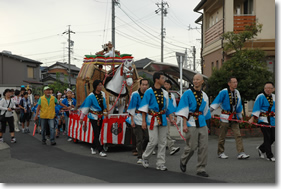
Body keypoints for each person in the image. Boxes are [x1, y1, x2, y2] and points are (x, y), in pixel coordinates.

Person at [176, 74, 211, 177]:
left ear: (202, 82)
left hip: (202, 122)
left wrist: (207, 125)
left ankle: (201, 168)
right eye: (194, 79)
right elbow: (183, 109)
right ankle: (183, 160)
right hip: (190, 121)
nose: (195, 81)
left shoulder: (204, 95)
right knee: (191, 146)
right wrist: (184, 124)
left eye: (197, 79)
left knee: (204, 146)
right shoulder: (187, 94)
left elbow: (206, 111)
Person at [138, 72, 174, 171]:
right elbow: (144, 107)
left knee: (163, 142)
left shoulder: (165, 93)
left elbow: (168, 107)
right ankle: (145, 157)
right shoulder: (149, 92)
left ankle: (160, 163)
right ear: (157, 80)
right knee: (153, 141)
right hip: (152, 118)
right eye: (162, 78)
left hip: (162, 117)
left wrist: (171, 117)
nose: (164, 80)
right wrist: (144, 122)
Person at [210, 76, 250, 159]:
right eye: (234, 82)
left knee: (238, 134)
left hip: (234, 116)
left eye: (236, 82)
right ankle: (220, 152)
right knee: (222, 135)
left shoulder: (237, 92)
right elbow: (216, 102)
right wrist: (209, 112)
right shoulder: (223, 92)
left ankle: (241, 152)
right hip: (225, 116)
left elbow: (239, 105)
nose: (236, 84)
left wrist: (240, 116)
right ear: (229, 83)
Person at [79, 80, 108, 157]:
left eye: (101, 85)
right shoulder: (91, 96)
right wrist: (81, 118)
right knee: (96, 132)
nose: (100, 87)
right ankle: (100, 150)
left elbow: (104, 105)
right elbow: (86, 107)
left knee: (98, 132)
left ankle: (93, 147)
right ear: (95, 86)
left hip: (100, 116)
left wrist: (105, 111)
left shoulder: (103, 94)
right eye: (99, 85)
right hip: (93, 116)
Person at [248, 82, 275, 162]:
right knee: (267, 136)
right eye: (266, 88)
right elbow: (256, 108)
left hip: (273, 120)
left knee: (274, 137)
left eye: (270, 88)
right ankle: (269, 155)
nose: (268, 89)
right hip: (263, 119)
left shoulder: (275, 97)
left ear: (273, 89)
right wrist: (252, 118)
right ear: (264, 89)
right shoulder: (260, 96)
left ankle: (261, 148)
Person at [126, 79, 150, 164]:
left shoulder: (148, 94)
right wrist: (132, 120)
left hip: (146, 118)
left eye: (146, 85)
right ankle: (140, 156)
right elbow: (131, 107)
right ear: (139, 85)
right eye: (143, 85)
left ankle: (141, 149)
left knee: (147, 137)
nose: (144, 87)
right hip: (136, 117)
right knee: (139, 138)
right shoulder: (135, 94)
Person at [164, 80, 180, 155]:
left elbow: (173, 107)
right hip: (160, 115)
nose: (166, 86)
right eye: (165, 84)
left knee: (167, 132)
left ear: (170, 86)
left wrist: (175, 116)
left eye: (167, 84)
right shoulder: (161, 93)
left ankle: (170, 147)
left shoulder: (171, 96)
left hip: (168, 116)